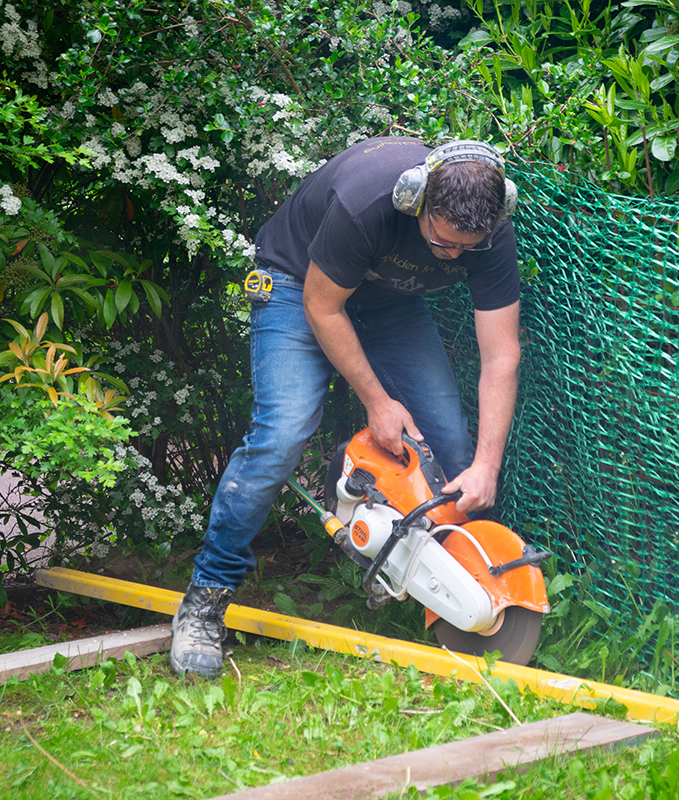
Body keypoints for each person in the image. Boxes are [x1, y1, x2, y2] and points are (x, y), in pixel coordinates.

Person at [170, 137, 522, 678]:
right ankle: (204, 601)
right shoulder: (369, 200)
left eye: (465, 248)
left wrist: (487, 465)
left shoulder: (490, 235)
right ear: (416, 200)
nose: (452, 255)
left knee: (453, 453)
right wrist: (377, 402)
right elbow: (322, 305)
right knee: (280, 436)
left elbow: (501, 355)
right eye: (442, 241)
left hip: (391, 304)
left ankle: (455, 605)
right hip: (295, 286)